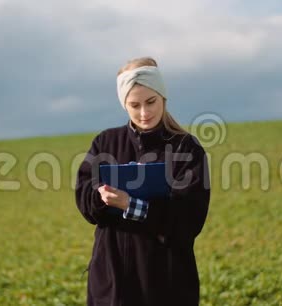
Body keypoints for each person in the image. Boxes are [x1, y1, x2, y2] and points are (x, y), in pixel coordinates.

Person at [75, 56, 211, 306]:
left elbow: (189, 220)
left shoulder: (186, 148)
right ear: (124, 104)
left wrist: (131, 205)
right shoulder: (105, 143)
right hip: (112, 282)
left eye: (151, 102)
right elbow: (85, 201)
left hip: (166, 284)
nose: (144, 113)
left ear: (163, 98)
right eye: (134, 105)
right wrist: (101, 197)